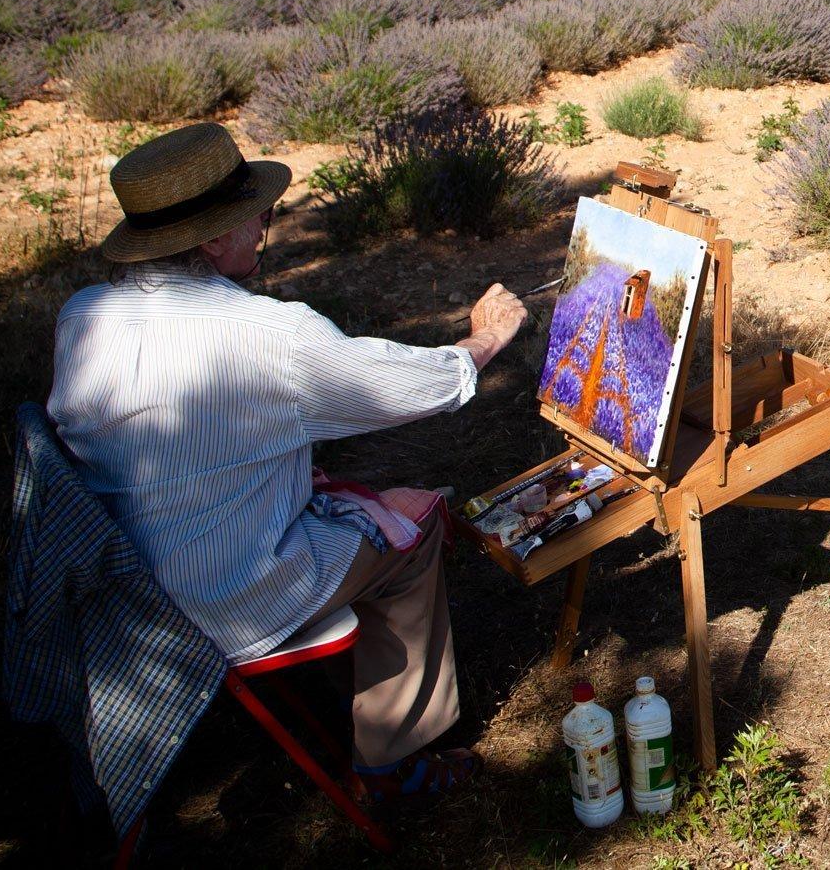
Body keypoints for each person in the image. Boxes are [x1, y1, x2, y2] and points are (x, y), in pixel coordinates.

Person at [46, 123, 528, 800]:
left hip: (124, 593)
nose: (267, 223)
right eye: (259, 213)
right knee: (413, 534)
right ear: (214, 238)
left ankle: (347, 695)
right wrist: (481, 342)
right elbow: (400, 386)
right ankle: (393, 758)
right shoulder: (265, 336)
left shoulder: (84, 315)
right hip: (222, 592)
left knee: (366, 508)